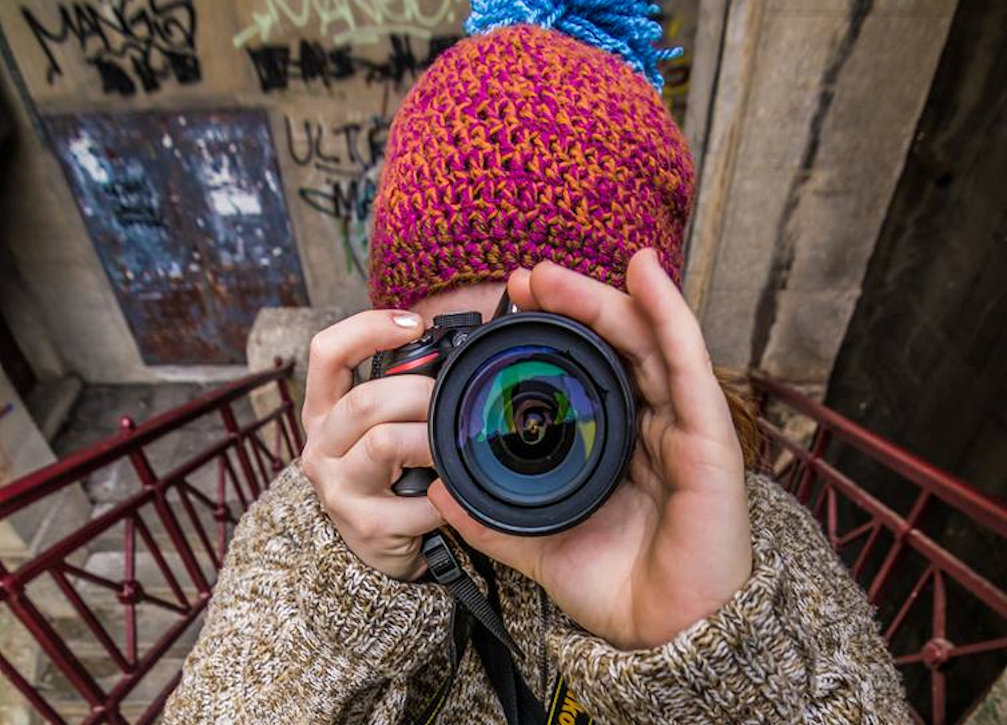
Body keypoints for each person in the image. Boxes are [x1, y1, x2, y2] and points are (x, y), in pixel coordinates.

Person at [163, 4, 911, 723]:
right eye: (458, 349)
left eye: (555, 348)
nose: (513, 398)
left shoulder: (743, 539)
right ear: (393, 346)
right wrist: (345, 592)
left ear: (639, 344)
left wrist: (717, 654)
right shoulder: (317, 518)